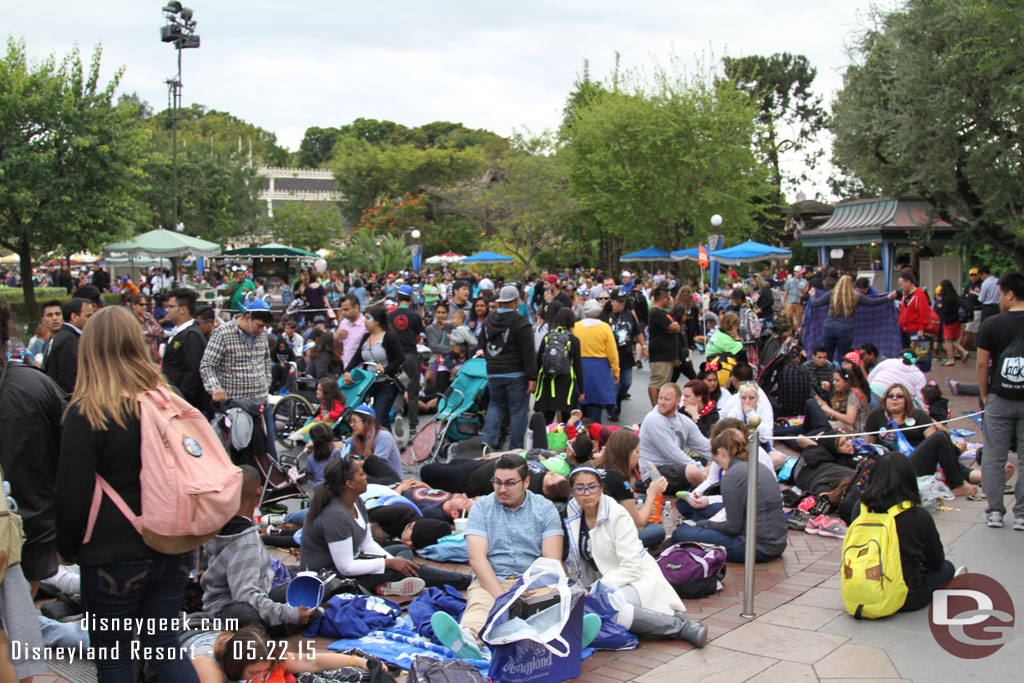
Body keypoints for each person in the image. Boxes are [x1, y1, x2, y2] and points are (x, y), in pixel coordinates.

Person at [55, 306, 201, 682]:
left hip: (111, 553)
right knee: (166, 648)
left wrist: (68, 549)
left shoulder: (88, 412)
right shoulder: (166, 398)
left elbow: (72, 492)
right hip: (171, 542)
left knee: (114, 658)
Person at [430, 454, 563, 660]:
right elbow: (477, 559)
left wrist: (526, 594)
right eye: (497, 482)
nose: (502, 489)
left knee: (552, 610)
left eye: (510, 483)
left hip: (533, 581)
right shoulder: (482, 507)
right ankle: (466, 642)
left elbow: (551, 561)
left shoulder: (545, 508)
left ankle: (565, 634)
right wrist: (502, 597)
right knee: (479, 610)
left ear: (526, 482)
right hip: (492, 579)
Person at [563, 467, 708, 647]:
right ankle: (661, 618)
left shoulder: (617, 514)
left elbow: (632, 567)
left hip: (637, 578)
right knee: (585, 605)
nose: (587, 493)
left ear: (601, 488)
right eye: (580, 488)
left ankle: (682, 627)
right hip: (606, 583)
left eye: (592, 487)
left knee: (607, 607)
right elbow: (575, 557)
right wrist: (576, 588)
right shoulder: (573, 510)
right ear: (572, 491)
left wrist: (596, 589)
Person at [299, 457, 470, 597]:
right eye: (361, 474)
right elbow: (346, 567)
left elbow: (367, 544)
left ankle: (391, 584)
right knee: (397, 568)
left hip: (355, 564)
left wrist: (395, 562)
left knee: (401, 553)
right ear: (349, 484)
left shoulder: (356, 501)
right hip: (331, 579)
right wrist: (388, 564)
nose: (366, 477)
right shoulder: (336, 515)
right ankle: (466, 581)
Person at [0, 296, 65, 596]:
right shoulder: (37, 385)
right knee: (19, 620)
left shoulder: (35, 385)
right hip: (33, 531)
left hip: (29, 532)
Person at [201, 466, 313, 634]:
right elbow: (247, 597)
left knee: (306, 585)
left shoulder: (217, 524)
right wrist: (289, 614)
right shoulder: (246, 542)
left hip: (244, 596)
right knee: (251, 616)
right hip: (228, 610)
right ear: (259, 491)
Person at [854, 452, 956, 612]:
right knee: (948, 568)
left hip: (862, 593)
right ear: (909, 479)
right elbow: (936, 561)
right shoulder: (917, 514)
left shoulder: (860, 509)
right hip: (904, 597)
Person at [670, 430, 787, 563]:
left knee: (680, 534)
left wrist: (705, 524)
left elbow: (733, 528)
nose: (719, 465)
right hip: (776, 541)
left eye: (718, 461)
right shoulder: (757, 466)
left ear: (722, 452)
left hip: (756, 547)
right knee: (703, 514)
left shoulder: (732, 475)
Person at [864, 383, 976, 496]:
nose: (894, 399)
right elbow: (869, 446)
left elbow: (936, 443)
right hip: (889, 467)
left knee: (940, 436)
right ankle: (958, 482)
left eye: (899, 396)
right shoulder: (876, 416)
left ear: (906, 399)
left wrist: (956, 450)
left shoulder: (918, 415)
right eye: (890, 396)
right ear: (885, 399)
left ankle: (958, 484)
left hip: (915, 463)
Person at [200, 298, 277, 457]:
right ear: (247, 317)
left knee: (268, 451)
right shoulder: (222, 333)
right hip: (236, 404)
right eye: (259, 325)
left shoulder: (261, 336)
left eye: (264, 327)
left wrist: (266, 382)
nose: (262, 330)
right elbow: (207, 365)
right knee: (236, 452)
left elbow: (265, 361)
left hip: (261, 401)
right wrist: (215, 388)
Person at [977, 271, 1024, 528]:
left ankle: (995, 510)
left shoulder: (991, 324)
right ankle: (1022, 513)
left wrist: (985, 394)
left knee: (995, 455)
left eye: (1001, 294)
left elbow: (983, 365)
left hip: (999, 397)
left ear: (1010, 294)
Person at [189, 625, 376, 682]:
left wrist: (358, 662)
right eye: (254, 674)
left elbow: (311, 662)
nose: (262, 678)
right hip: (188, 633)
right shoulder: (207, 663)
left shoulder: (263, 652)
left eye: (266, 671)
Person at [479, 285, 536, 451]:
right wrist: (532, 377)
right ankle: (516, 448)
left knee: (495, 406)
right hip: (516, 373)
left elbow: (482, 344)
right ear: (517, 301)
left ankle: (488, 441)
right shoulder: (521, 322)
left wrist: (491, 362)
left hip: (494, 371)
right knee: (518, 411)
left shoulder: (489, 319)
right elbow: (528, 351)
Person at [590, 429, 667, 549]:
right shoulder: (619, 480)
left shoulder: (590, 466)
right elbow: (639, 523)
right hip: (605, 541)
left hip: (582, 531)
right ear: (626, 453)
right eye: (637, 451)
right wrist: (652, 493)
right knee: (657, 530)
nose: (639, 455)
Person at [638, 383, 710, 493]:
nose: (661, 402)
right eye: (660, 398)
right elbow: (673, 453)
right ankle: (707, 489)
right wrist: (702, 470)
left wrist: (725, 459)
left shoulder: (684, 421)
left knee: (713, 463)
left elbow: (706, 446)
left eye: (666, 399)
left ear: (677, 401)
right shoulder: (654, 420)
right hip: (654, 473)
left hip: (675, 468)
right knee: (693, 471)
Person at [809, 275, 898, 362]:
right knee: (843, 357)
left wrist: (812, 295)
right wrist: (887, 298)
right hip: (846, 329)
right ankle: (843, 375)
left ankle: (826, 374)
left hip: (829, 328)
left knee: (827, 356)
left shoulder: (831, 294)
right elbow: (873, 302)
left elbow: (815, 303)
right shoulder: (855, 295)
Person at [344, 306, 403, 430]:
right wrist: (347, 370)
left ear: (377, 321)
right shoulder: (366, 338)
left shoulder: (389, 337)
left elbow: (400, 358)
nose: (364, 321)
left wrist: (386, 369)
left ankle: (386, 444)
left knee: (380, 416)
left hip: (387, 382)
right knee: (377, 417)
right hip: (371, 383)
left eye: (367, 318)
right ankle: (386, 442)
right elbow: (357, 356)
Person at [161, 288, 212, 416]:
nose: (168, 310)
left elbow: (192, 373)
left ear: (183, 309)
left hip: (185, 406)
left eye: (171, 306)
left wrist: (181, 403)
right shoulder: (181, 333)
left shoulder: (191, 336)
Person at [601, 288, 646, 422]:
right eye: (619, 302)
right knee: (614, 383)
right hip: (609, 354)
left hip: (625, 353)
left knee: (626, 382)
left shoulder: (628, 315)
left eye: (624, 302)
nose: (622, 304)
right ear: (612, 301)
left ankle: (618, 398)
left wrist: (644, 346)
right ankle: (612, 409)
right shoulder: (604, 315)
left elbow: (637, 331)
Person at [388, 285, 426, 437]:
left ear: (397, 298)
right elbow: (418, 338)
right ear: (411, 298)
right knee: (413, 393)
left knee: (398, 388)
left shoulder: (389, 316)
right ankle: (412, 428)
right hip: (410, 357)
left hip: (394, 359)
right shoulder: (414, 315)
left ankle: (398, 413)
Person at [573, 299, 619, 423]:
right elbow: (612, 352)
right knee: (597, 400)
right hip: (599, 368)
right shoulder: (605, 328)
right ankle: (596, 430)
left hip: (580, 366)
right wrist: (616, 370)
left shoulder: (576, 327)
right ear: (599, 312)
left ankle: (581, 428)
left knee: (581, 398)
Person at [535, 307, 584, 423]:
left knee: (547, 416)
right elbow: (577, 366)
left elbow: (538, 360)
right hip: (565, 381)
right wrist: (581, 390)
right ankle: (564, 439)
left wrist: (535, 381)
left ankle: (545, 439)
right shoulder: (573, 339)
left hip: (547, 380)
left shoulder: (548, 336)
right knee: (567, 417)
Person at [44, 297, 94, 394]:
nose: (92, 320)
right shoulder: (69, 340)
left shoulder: (69, 337)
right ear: (74, 317)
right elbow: (69, 379)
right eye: (88, 316)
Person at [347, 404, 403, 482]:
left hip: (391, 482)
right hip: (374, 478)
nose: (351, 425)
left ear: (367, 421)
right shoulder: (359, 437)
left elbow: (375, 464)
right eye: (351, 421)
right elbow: (343, 445)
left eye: (355, 421)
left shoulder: (383, 437)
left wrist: (353, 463)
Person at [647, 286, 681, 406]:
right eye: (668, 298)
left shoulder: (662, 313)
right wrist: (674, 326)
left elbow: (674, 326)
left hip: (666, 354)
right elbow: (672, 327)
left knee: (663, 381)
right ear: (662, 298)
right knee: (657, 381)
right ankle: (656, 406)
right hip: (660, 355)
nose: (669, 301)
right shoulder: (657, 313)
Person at [817, 365, 868, 434]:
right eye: (834, 380)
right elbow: (837, 415)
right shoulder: (841, 393)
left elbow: (850, 419)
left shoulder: (853, 395)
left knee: (811, 403)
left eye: (837, 380)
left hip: (855, 432)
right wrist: (826, 412)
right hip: (842, 426)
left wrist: (829, 410)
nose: (834, 383)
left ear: (847, 382)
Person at [936, 279, 970, 366]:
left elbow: (945, 311)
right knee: (953, 340)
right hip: (956, 321)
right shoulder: (955, 297)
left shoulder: (946, 298)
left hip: (948, 322)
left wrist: (940, 307)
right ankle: (964, 352)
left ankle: (951, 359)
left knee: (948, 340)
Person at [897, 270, 930, 349]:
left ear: (908, 282)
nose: (901, 288)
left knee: (917, 354)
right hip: (904, 329)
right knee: (905, 353)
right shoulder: (905, 296)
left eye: (902, 285)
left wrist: (921, 329)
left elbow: (924, 313)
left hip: (915, 329)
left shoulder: (920, 295)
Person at [38, 298, 64, 364]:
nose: (54, 318)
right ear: (43, 320)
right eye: (49, 315)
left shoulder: (69, 342)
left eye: (58, 314)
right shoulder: (45, 345)